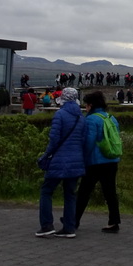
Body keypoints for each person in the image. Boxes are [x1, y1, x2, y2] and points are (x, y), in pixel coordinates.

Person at [36, 87, 86, 238]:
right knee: (70, 194)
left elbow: (54, 139)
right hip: (76, 160)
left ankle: (46, 225)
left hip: (59, 160)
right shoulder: (81, 117)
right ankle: (69, 227)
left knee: (46, 191)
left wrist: (46, 155)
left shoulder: (60, 115)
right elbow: (83, 141)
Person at [76, 90, 122, 233]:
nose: (85, 108)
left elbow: (89, 142)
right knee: (110, 192)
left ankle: (73, 219)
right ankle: (114, 222)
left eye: (86, 105)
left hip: (95, 161)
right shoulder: (110, 118)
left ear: (90, 105)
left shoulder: (91, 119)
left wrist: (83, 158)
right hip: (112, 159)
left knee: (84, 191)